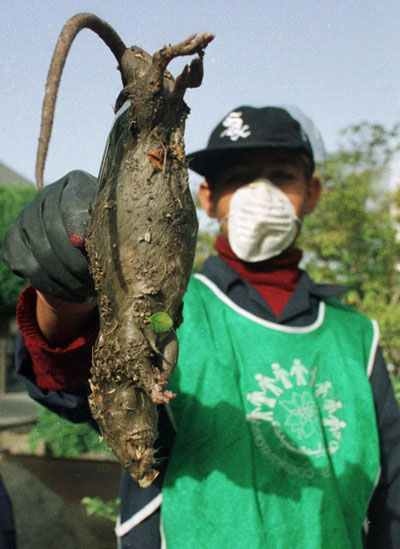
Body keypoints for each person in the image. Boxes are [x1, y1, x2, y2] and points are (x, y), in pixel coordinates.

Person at [3, 105, 400, 548]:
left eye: (281, 174)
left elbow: (391, 498)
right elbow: (71, 381)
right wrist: (64, 295)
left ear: (312, 193)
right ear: (206, 198)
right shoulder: (167, 310)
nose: (260, 193)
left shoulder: (356, 336)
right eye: (239, 178)